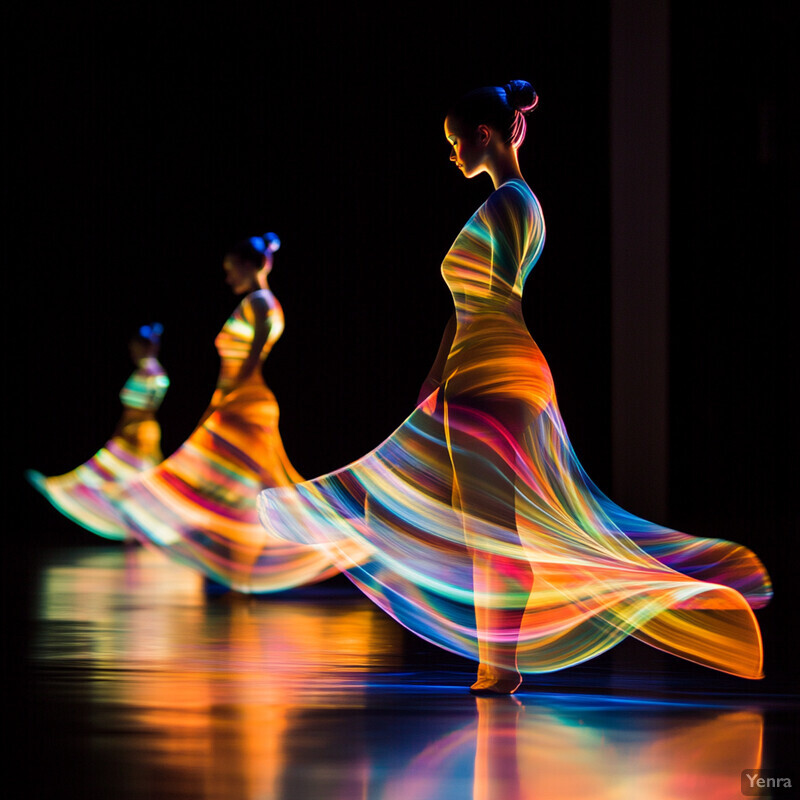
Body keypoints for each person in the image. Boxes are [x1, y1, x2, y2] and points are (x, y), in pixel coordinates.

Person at [258, 82, 772, 693]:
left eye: (455, 142)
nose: (451, 154)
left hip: (493, 368)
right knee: (483, 523)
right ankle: (496, 661)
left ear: (484, 135)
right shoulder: (506, 204)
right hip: (479, 365)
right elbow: (466, 304)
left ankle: (503, 662)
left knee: (493, 525)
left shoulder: (510, 204)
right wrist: (436, 372)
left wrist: (449, 370)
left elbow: (489, 297)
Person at [101, 232, 346, 592]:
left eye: (232, 269)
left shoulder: (260, 303)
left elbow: (248, 365)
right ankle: (242, 562)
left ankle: (304, 546)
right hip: (240, 402)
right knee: (248, 486)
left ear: (250, 265)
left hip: (244, 403)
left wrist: (220, 404)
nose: (229, 277)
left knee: (239, 485)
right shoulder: (257, 303)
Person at [26, 323, 169, 539]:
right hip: (132, 431)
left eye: (136, 347)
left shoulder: (152, 373)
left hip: (138, 433)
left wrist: (125, 433)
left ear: (145, 347)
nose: (133, 352)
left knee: (120, 477)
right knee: (117, 477)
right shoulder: (145, 371)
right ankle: (138, 527)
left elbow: (144, 410)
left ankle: (154, 526)